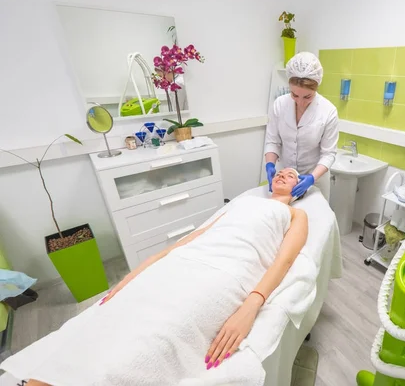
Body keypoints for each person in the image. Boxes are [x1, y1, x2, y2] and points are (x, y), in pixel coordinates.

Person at [9, 168, 308, 386]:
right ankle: (42, 379)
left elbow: (286, 259)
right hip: (186, 260)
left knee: (158, 332)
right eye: (280, 171)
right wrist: (135, 274)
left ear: (299, 189)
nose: (282, 174)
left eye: (291, 175)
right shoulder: (241, 202)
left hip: (229, 271)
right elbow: (192, 239)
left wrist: (251, 305)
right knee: (116, 314)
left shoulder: (296, 215)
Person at [264, 52, 339, 201]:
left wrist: (312, 178)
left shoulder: (328, 111)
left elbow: (328, 154)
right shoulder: (280, 104)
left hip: (315, 179)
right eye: (294, 95)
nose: (300, 102)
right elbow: (273, 141)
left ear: (316, 88)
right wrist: (270, 164)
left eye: (307, 97)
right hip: (285, 174)